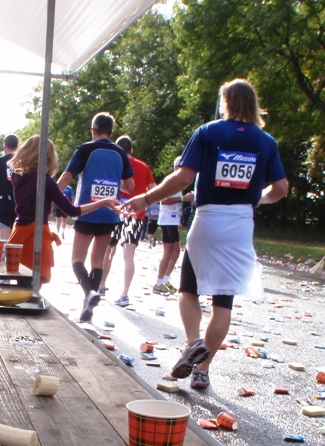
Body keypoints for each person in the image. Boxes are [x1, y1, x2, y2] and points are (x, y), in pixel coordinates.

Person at [123, 79, 288, 390]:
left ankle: (192, 342)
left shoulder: (209, 132)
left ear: (225, 102)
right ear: (253, 105)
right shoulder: (266, 142)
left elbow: (183, 177)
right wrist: (258, 198)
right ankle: (203, 369)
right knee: (223, 301)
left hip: (208, 219)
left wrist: (146, 199)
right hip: (241, 225)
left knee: (188, 288)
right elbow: (281, 189)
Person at [7, 136, 118, 285]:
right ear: (49, 157)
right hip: (37, 235)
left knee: (20, 282)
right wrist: (102, 202)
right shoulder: (45, 181)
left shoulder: (17, 176)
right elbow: (72, 211)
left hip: (19, 231)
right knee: (33, 286)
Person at [57, 112, 134, 323]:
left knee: (76, 259)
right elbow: (131, 186)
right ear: (111, 132)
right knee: (97, 260)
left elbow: (66, 176)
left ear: (93, 131)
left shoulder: (86, 149)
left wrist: (51, 196)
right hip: (110, 214)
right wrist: (112, 184)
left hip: (86, 210)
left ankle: (88, 293)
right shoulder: (121, 153)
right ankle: (90, 301)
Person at [100, 136, 156, 307]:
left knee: (108, 250)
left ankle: (101, 285)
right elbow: (153, 190)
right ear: (131, 150)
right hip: (135, 214)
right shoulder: (144, 167)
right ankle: (124, 294)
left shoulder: (115, 165)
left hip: (116, 212)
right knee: (128, 255)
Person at [153, 191, 183, 295]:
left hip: (174, 221)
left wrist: (179, 220)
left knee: (176, 252)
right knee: (168, 253)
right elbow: (164, 200)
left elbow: (178, 205)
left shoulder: (180, 187)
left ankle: (165, 280)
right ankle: (158, 283)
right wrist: (183, 198)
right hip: (167, 221)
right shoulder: (173, 183)